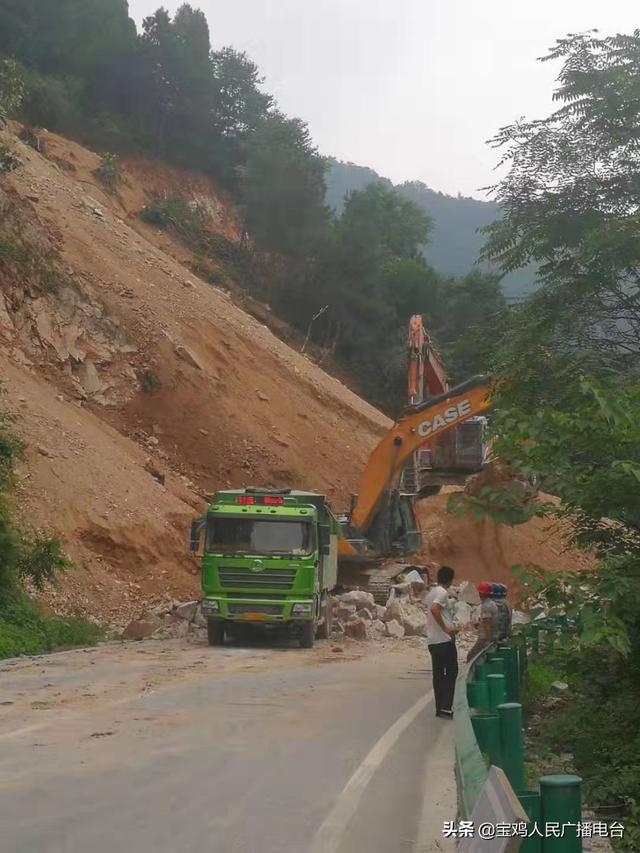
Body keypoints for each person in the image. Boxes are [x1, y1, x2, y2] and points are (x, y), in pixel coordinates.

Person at [426, 565, 459, 719]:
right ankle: (446, 706)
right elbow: (434, 609)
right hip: (444, 640)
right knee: (451, 672)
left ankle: (440, 708)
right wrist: (446, 628)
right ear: (450, 580)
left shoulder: (431, 592)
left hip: (432, 641)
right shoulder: (442, 592)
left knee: (438, 674)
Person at [466, 581, 499, 662]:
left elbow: (487, 623)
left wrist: (488, 639)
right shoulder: (491, 603)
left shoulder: (486, 606)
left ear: (481, 593)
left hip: (484, 638)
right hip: (492, 635)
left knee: (471, 656)